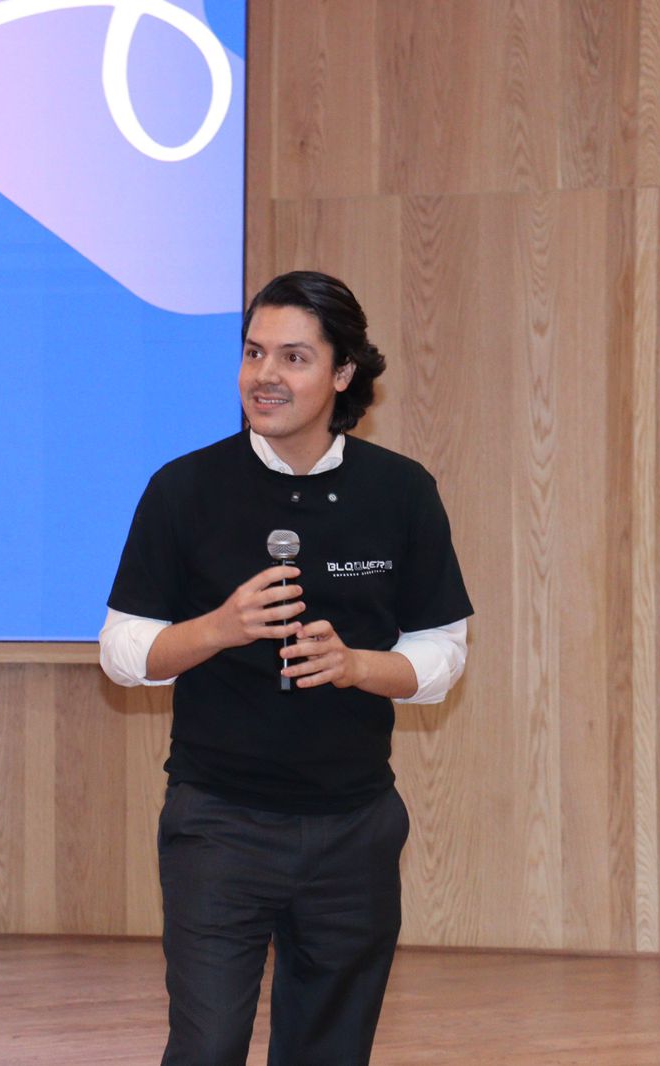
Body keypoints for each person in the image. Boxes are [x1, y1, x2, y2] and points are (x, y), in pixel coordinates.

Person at [99, 271, 473, 1066]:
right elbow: (122, 652)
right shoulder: (184, 488)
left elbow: (443, 654)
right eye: (253, 353)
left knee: (328, 1051)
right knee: (207, 1046)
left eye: (293, 357)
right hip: (218, 823)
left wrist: (357, 665)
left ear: (343, 373)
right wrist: (218, 628)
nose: (264, 375)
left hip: (354, 826)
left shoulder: (401, 492)